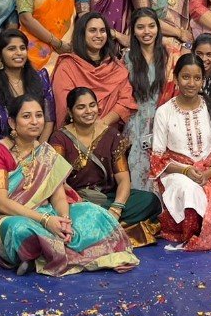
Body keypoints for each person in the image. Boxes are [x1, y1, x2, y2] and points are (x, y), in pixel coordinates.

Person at [0, 95, 140, 276]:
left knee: (93, 212)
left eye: (39, 115)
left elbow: (58, 196)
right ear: (12, 122)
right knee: (19, 230)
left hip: (46, 212)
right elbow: (0, 203)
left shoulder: (46, 152)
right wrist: (46, 221)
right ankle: (48, 252)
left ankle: (41, 255)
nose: (34, 121)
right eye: (26, 116)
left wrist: (64, 220)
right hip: (8, 216)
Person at [151, 54, 211, 251]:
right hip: (176, 173)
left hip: (209, 173)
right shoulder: (164, 112)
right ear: (176, 78)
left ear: (203, 80)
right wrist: (186, 171)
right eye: (185, 77)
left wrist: (208, 173)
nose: (191, 83)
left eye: (197, 78)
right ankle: (192, 231)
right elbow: (157, 158)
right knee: (189, 190)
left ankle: (205, 228)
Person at [50, 87, 162, 246]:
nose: (88, 111)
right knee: (73, 213)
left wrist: (116, 209)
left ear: (98, 107)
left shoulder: (112, 135)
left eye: (92, 105)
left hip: (106, 198)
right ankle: (110, 228)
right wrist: (77, 202)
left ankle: (99, 227)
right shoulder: (59, 139)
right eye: (81, 107)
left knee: (150, 201)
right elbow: (58, 183)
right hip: (76, 201)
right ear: (70, 111)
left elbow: (123, 180)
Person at [50, 13, 137, 140]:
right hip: (76, 138)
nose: (98, 35)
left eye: (102, 31)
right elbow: (65, 107)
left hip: (109, 136)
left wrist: (102, 124)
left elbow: (126, 101)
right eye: (92, 30)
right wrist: (88, 131)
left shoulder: (117, 67)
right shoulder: (67, 67)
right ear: (82, 34)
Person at [124, 9, 173, 190]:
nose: (147, 32)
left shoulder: (170, 56)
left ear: (158, 28)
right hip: (137, 121)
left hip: (166, 119)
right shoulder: (127, 58)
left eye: (151, 26)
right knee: (139, 166)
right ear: (133, 31)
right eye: (140, 27)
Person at [0, 29, 53, 139]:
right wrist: (1, 149)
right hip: (3, 145)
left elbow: (49, 119)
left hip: (37, 144)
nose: (19, 53)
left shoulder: (41, 78)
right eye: (12, 49)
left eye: (22, 48)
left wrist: (39, 147)